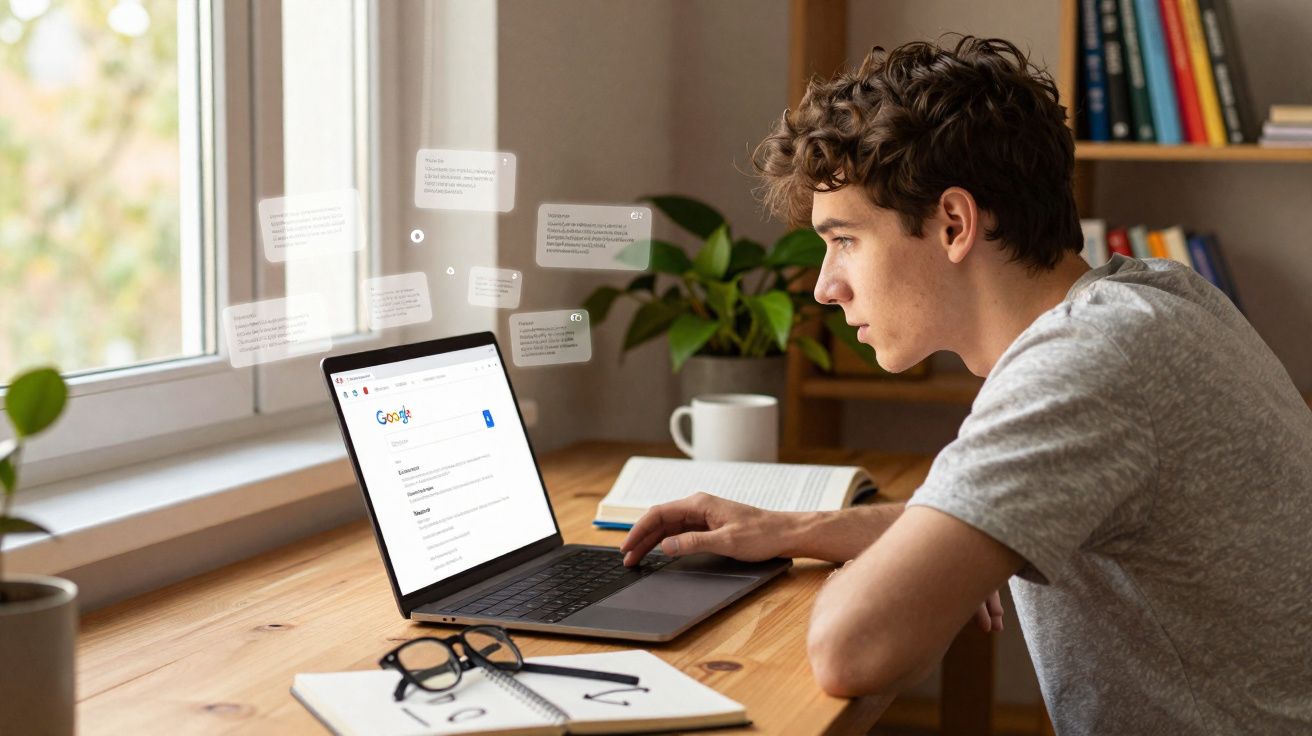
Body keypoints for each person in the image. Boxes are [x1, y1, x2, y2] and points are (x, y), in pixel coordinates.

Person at [621, 36, 1312, 734]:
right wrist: (798, 530)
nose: (826, 288)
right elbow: (1026, 508)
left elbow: (849, 649)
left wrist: (885, 584)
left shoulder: (1083, 366)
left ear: (954, 222)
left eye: (845, 240)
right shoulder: (1158, 296)